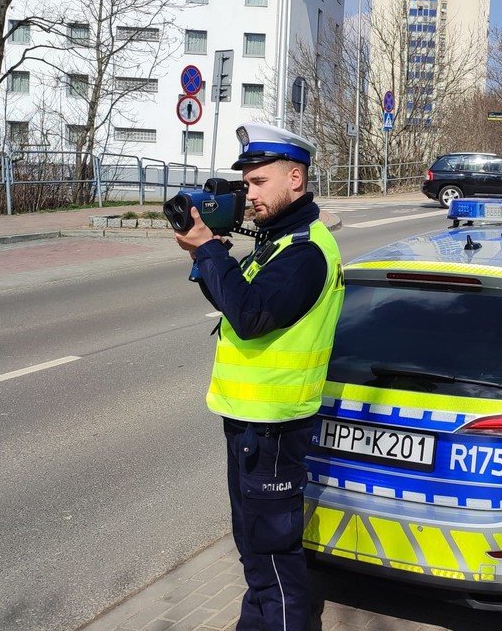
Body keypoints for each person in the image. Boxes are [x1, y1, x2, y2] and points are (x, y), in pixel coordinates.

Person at [174, 123, 344, 631]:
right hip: (249, 421)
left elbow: (250, 317)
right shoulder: (279, 242)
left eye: (258, 182)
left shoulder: (305, 253)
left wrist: (210, 251)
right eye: (246, 182)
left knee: (272, 555)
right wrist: (205, 258)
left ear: (296, 178)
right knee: (254, 548)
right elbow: (236, 308)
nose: (248, 194)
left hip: (272, 426)